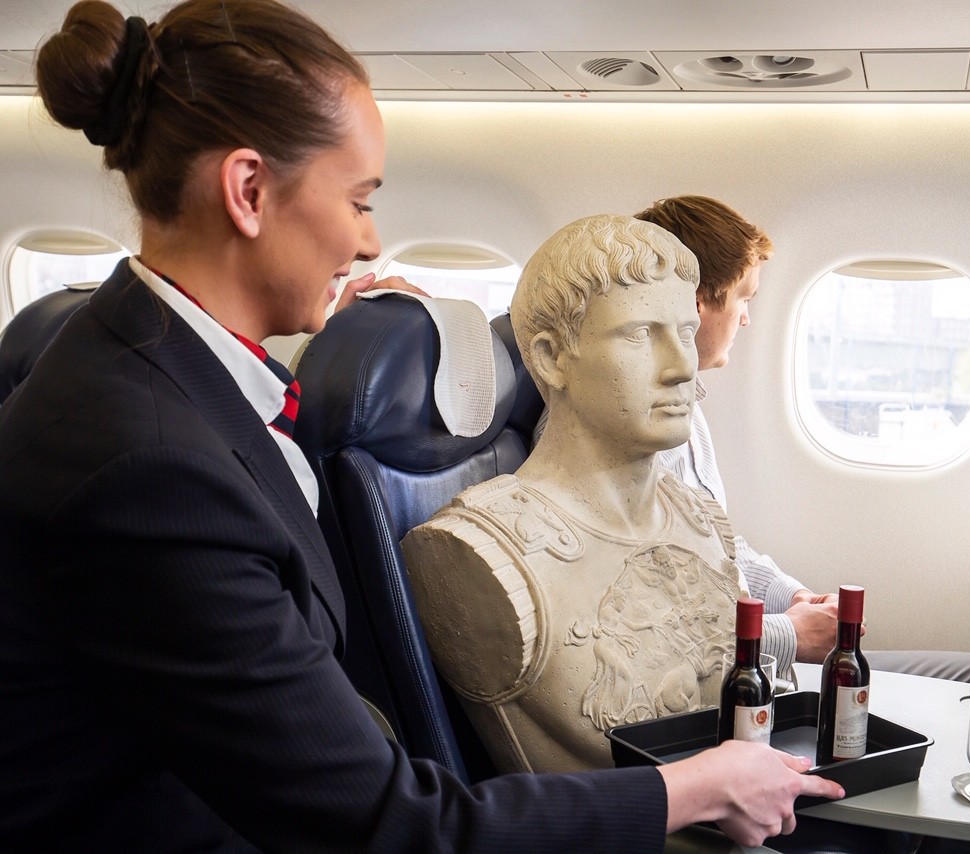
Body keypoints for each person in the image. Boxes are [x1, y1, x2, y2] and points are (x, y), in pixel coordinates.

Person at [0, 3, 843, 850]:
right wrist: (689, 789)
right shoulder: (146, 463)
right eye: (358, 201)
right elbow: (388, 823)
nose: (370, 242)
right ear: (249, 190)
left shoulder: (161, 377)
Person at [404, 214, 751, 774]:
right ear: (550, 358)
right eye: (640, 334)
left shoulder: (701, 519)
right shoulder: (478, 551)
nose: (682, 367)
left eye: (686, 332)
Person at [635, 195, 970, 686]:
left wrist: (792, 598)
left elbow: (720, 553)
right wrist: (789, 635)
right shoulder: (633, 441)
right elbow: (658, 621)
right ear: (697, 303)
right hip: (735, 677)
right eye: (744, 298)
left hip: (756, 653)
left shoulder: (687, 411)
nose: (747, 319)